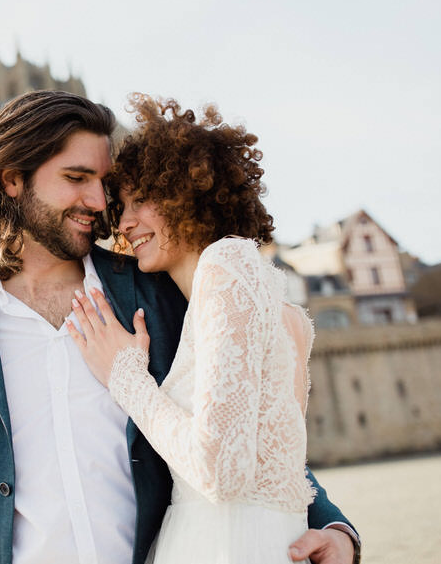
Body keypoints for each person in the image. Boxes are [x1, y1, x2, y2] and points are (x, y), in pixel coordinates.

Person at [0, 90, 359, 564]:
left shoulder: (157, 291)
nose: (97, 201)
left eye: (103, 183)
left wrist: (336, 530)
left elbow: (246, 424)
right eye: (76, 178)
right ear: (12, 179)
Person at [68, 94, 357, 563]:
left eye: (143, 200)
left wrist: (126, 377)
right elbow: (282, 473)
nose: (124, 222)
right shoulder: (279, 312)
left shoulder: (225, 266)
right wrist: (341, 533)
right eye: (121, 205)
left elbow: (221, 472)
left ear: (188, 194)